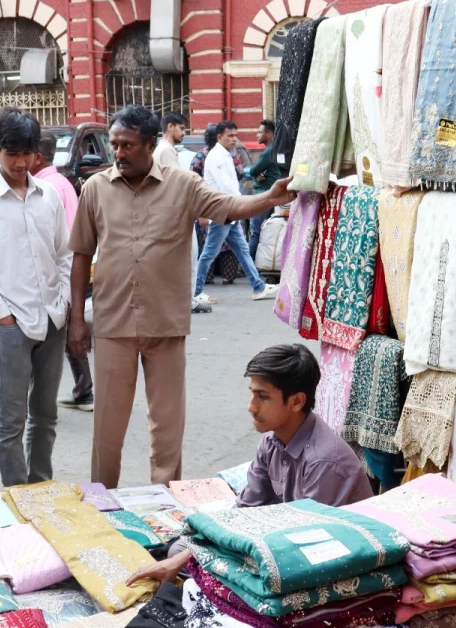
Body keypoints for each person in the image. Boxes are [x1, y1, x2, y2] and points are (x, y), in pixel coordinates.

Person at [68, 104, 294, 488]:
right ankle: (102, 502)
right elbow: (81, 254)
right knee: (107, 426)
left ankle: (164, 502)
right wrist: (76, 319)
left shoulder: (183, 184)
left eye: (127, 145)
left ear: (150, 144)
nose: (118, 153)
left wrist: (269, 198)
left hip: (165, 324)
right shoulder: (95, 189)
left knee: (167, 426)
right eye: (114, 145)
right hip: (113, 322)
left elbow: (228, 206)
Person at [126, 344, 373, 586]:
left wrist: (196, 556)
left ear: (297, 401)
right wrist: (184, 556)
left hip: (320, 554)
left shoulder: (325, 462)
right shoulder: (271, 441)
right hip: (280, 533)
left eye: (263, 397)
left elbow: (302, 540)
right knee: (181, 550)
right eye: (252, 393)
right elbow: (245, 509)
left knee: (205, 564)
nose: (251, 406)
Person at [0, 108, 70, 486]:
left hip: (53, 318)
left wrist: (65, 303)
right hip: (11, 323)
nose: (22, 162)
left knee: (46, 415)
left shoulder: (50, 196)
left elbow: (64, 253)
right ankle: (17, 494)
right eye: (13, 154)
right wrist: (2, 315)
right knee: (11, 419)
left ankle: (41, 486)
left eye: (28, 153)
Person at [31, 132, 91, 413]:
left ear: (38, 157)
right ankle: (83, 389)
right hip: (70, 265)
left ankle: (79, 391)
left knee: (60, 335)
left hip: (61, 269)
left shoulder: (45, 187)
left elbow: (58, 237)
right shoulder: (60, 181)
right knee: (68, 333)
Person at [193, 120, 277, 304]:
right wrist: (244, 204)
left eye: (235, 136)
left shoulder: (226, 154)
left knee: (242, 250)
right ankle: (196, 291)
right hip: (221, 210)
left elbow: (232, 184)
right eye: (230, 136)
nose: (234, 139)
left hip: (230, 211)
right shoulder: (216, 157)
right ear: (219, 137)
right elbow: (226, 187)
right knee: (209, 253)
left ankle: (258, 286)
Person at [245, 120, 284, 259]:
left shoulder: (269, 151)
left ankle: (248, 264)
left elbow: (254, 170)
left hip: (264, 195)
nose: (257, 135)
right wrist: (257, 177)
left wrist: (255, 175)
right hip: (272, 194)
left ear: (268, 134)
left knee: (255, 232)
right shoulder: (275, 148)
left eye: (260, 132)